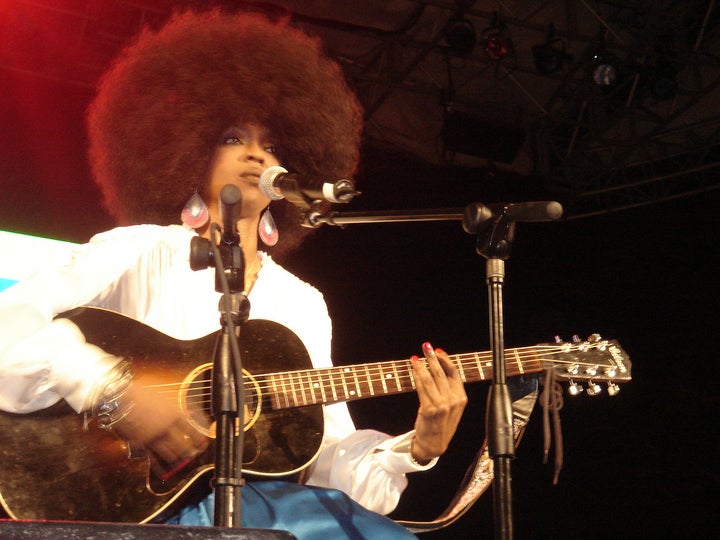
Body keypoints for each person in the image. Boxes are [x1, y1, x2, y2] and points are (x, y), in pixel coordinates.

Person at [0, 8, 467, 540]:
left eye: (272, 145)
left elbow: (323, 463)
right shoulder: (138, 252)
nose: (255, 155)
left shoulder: (301, 304)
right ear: (188, 149)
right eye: (231, 137)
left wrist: (415, 448)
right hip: (127, 507)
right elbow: (7, 327)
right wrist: (113, 390)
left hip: (257, 515)